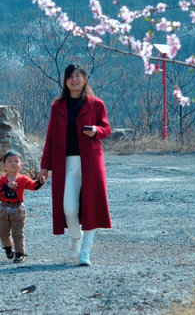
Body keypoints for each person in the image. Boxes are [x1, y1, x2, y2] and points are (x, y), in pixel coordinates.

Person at [37, 64, 111, 266]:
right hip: (65, 164)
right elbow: (50, 138)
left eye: (78, 76)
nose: (74, 80)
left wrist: (96, 130)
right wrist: (45, 166)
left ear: (85, 79)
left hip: (91, 163)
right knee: (68, 209)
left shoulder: (96, 104)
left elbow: (106, 129)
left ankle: (85, 252)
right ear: (65, 81)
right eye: (70, 76)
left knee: (91, 208)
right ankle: (76, 240)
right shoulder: (58, 106)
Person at [0, 150, 45, 264]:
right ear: (4, 165)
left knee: (18, 233)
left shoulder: (23, 179)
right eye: (10, 161)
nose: (13, 164)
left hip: (18, 209)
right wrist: (7, 186)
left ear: (20, 165)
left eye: (16, 161)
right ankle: (8, 248)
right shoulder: (2, 180)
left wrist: (40, 182)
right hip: (3, 209)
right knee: (3, 233)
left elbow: (33, 186)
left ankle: (20, 253)